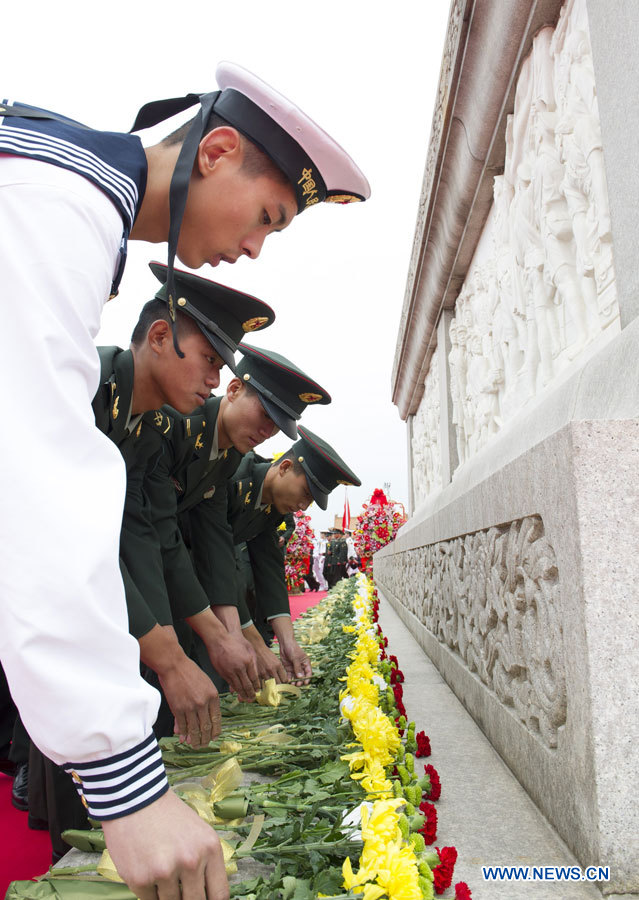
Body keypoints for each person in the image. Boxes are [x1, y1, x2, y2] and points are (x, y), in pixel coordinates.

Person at [0, 61, 369, 899]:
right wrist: (126, 782)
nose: (251, 249)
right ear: (217, 150)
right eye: (268, 218)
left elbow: (178, 534)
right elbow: (36, 486)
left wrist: (234, 632)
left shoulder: (71, 192)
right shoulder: (62, 204)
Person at [123, 344, 330, 701]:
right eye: (264, 414)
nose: (268, 431)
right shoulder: (174, 423)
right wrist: (229, 637)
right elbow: (161, 532)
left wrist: (235, 637)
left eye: (277, 426)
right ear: (233, 390)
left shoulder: (227, 456)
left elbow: (215, 543)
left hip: (173, 579)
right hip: (129, 569)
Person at [230, 426, 361, 682]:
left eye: (311, 501)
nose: (303, 506)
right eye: (305, 494)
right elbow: (214, 558)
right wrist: (255, 642)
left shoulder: (270, 505)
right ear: (285, 467)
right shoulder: (234, 475)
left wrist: (288, 643)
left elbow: (270, 569)